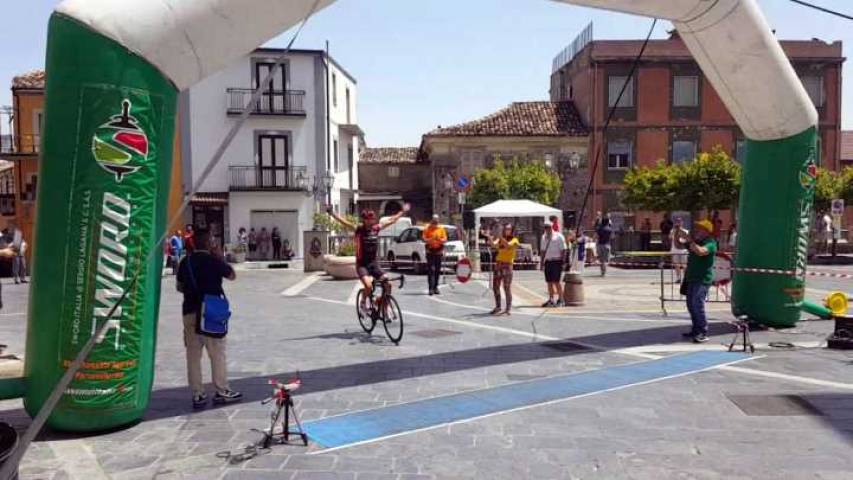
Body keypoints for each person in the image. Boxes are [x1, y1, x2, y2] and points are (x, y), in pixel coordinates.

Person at [176, 230, 241, 408]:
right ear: (209, 243)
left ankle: (198, 394)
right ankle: (221, 390)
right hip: (211, 313)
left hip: (190, 312)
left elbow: (180, 287)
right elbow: (232, 275)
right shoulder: (214, 261)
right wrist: (221, 257)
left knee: (193, 356)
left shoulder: (185, 262)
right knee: (217, 354)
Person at [328, 204, 410, 307]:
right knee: (368, 286)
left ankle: (381, 304)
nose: (372, 221)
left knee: (388, 285)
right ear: (364, 220)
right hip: (362, 265)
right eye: (369, 219)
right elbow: (344, 222)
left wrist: (402, 211)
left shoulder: (376, 228)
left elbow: (392, 220)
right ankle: (363, 301)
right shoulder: (358, 229)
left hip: (373, 264)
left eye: (373, 219)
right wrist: (332, 213)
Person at [677, 220, 717, 343]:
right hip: (691, 278)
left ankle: (703, 331)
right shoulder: (696, 242)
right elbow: (678, 245)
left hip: (702, 278)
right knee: (691, 305)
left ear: (706, 231)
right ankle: (696, 329)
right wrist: (677, 231)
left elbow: (700, 251)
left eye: (700, 228)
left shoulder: (710, 243)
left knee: (697, 305)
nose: (697, 230)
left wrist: (690, 240)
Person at [488, 224, 519, 315]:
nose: (506, 230)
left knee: (507, 287)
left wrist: (500, 237)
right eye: (505, 228)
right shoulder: (500, 239)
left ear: (512, 230)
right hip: (498, 264)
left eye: (508, 229)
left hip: (507, 265)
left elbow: (508, 245)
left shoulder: (514, 240)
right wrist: (489, 237)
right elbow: (494, 245)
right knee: (495, 286)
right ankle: (498, 307)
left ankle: (508, 309)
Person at [540, 221, 567, 307]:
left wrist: (563, 262)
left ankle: (561, 299)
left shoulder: (559, 236)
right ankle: (551, 299)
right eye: (545, 227)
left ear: (552, 227)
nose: (547, 229)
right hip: (548, 261)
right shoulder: (543, 237)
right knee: (549, 282)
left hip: (557, 261)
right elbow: (543, 251)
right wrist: (541, 263)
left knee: (556, 281)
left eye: (548, 227)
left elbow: (563, 250)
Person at [423, 215, 447, 296]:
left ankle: (436, 287)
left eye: (436, 222)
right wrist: (431, 239)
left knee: (437, 270)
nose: (435, 223)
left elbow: (445, 239)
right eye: (434, 221)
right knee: (431, 270)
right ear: (431, 221)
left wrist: (439, 239)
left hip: (438, 252)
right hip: (430, 252)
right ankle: (431, 288)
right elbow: (424, 239)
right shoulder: (427, 228)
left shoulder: (441, 229)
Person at [670, 217, 690, 283]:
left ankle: (685, 278)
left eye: (680, 221)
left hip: (683, 250)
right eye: (677, 221)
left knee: (684, 265)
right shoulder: (673, 230)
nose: (678, 223)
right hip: (674, 250)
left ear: (682, 223)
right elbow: (670, 237)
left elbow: (685, 240)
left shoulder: (686, 231)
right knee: (676, 265)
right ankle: (678, 278)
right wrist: (674, 231)